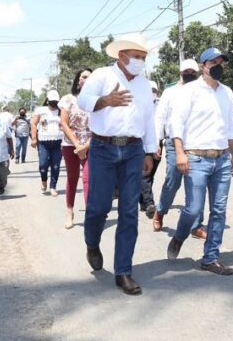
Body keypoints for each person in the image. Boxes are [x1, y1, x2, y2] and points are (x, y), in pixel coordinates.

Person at [78, 33, 156, 295]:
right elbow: (83, 101)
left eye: (144, 58)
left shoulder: (145, 84)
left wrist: (149, 152)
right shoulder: (102, 75)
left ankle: (123, 271)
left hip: (133, 150)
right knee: (98, 207)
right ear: (122, 56)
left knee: (129, 213)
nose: (141, 62)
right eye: (137, 57)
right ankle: (92, 243)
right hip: (103, 148)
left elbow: (148, 120)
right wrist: (105, 101)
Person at [167, 47, 233, 276]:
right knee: (193, 209)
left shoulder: (227, 92)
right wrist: (180, 153)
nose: (218, 66)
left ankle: (210, 257)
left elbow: (231, 126)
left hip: (221, 159)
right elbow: (176, 124)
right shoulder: (189, 91)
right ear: (204, 66)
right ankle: (180, 236)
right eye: (213, 62)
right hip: (196, 158)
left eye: (221, 62)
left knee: (219, 210)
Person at [152, 59, 206, 237]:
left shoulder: (204, 90)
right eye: (186, 71)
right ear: (181, 73)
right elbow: (160, 117)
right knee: (172, 181)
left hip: (197, 143)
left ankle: (196, 225)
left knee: (197, 183)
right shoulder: (170, 93)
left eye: (193, 71)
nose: (190, 74)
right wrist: (157, 142)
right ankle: (160, 211)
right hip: (174, 143)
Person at [59, 68, 93, 229]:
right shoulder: (68, 99)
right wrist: (77, 145)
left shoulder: (97, 101)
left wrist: (85, 146)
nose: (87, 79)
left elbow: (101, 126)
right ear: (78, 81)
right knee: (72, 178)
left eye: (90, 77)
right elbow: (64, 123)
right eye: (84, 77)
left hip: (90, 145)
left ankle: (90, 215)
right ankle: (69, 211)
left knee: (88, 179)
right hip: (70, 145)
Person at [31, 91, 63, 196]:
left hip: (58, 143)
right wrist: (34, 138)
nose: (53, 104)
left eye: (55, 102)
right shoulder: (40, 110)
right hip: (44, 143)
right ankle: (44, 181)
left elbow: (65, 125)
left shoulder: (61, 111)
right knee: (43, 165)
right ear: (47, 100)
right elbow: (34, 124)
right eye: (52, 101)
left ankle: (53, 187)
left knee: (56, 166)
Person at [139, 80, 160, 219]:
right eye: (149, 91)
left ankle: (142, 201)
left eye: (154, 91)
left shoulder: (161, 104)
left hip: (157, 143)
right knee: (145, 174)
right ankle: (149, 203)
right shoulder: (140, 103)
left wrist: (158, 143)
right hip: (141, 143)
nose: (152, 93)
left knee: (150, 174)